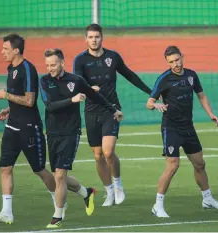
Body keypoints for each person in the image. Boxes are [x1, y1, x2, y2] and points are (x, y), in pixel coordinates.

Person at [40, 48, 124, 228]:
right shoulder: (45, 81)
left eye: (53, 65)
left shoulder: (76, 80)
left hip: (71, 132)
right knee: (57, 177)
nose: (50, 68)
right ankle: (86, 192)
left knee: (61, 175)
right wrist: (73, 99)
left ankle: (58, 215)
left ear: (62, 63)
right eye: (47, 65)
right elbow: (50, 106)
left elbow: (96, 96)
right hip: (53, 132)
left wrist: (113, 110)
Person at [73, 24, 152, 206]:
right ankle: (109, 192)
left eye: (97, 37)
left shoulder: (113, 57)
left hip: (112, 109)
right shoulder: (80, 60)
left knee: (108, 152)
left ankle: (118, 185)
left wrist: (151, 92)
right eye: (91, 37)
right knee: (98, 155)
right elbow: (78, 80)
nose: (94, 40)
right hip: (91, 111)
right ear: (86, 39)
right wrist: (87, 88)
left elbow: (130, 75)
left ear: (102, 38)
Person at [146, 46, 218, 218]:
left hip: (188, 127)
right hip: (171, 127)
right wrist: (156, 105)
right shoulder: (164, 79)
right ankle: (157, 205)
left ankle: (207, 199)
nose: (175, 64)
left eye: (177, 60)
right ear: (167, 62)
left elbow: (201, 95)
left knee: (200, 164)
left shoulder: (191, 75)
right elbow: (149, 102)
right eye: (171, 62)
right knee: (173, 165)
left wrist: (211, 114)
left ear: (182, 57)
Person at [0, 34, 56, 224]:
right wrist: (9, 109)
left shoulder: (28, 69)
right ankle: (7, 212)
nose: (2, 52)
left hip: (28, 128)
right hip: (12, 126)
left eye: (5, 49)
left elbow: (30, 100)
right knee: (4, 167)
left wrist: (6, 95)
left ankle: (59, 202)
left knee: (40, 170)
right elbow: (19, 99)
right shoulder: (11, 68)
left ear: (16, 50)